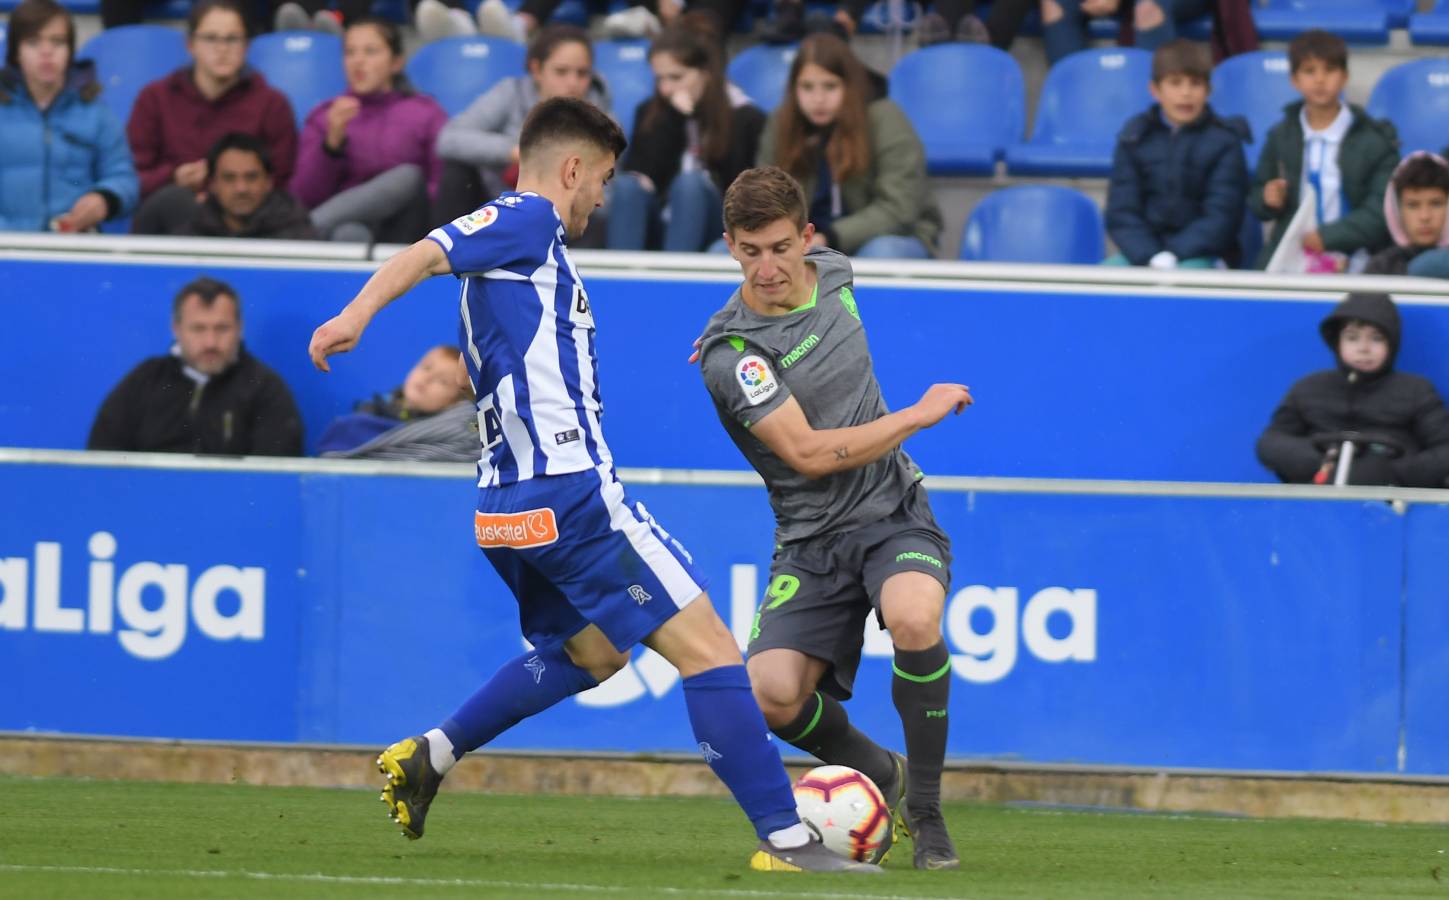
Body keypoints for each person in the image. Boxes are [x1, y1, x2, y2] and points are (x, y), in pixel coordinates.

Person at [305, 97, 879, 874]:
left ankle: (431, 755)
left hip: (505, 506)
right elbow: (427, 251)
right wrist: (354, 316)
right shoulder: (528, 219)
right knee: (710, 649)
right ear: (571, 168)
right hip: (568, 488)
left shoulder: (524, 252)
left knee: (597, 654)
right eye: (603, 178)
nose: (604, 196)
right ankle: (786, 837)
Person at [696, 166, 973, 869]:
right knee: (769, 696)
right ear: (729, 245)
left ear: (808, 239)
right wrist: (917, 413)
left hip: (891, 513)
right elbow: (810, 455)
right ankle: (877, 770)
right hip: (810, 539)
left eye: (781, 247)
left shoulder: (836, 272)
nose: (768, 267)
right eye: (750, 250)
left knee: (914, 618)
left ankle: (928, 812)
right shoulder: (735, 357)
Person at [757, 34, 941, 259]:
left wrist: (829, 237)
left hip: (889, 237)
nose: (818, 99)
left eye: (830, 86)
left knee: (882, 251)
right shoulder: (781, 124)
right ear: (793, 89)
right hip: (805, 241)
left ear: (851, 86)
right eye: (807, 87)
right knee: (723, 252)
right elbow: (764, 200)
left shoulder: (886, 118)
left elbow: (898, 210)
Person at [128, 0, 298, 237]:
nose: (222, 48)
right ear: (190, 44)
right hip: (174, 223)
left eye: (232, 39)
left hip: (250, 227)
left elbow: (281, 181)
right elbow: (132, 179)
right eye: (210, 38)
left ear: (246, 45)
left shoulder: (273, 104)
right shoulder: (154, 98)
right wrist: (173, 177)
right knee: (175, 201)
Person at [89, 277, 304, 456]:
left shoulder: (265, 388)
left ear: (240, 328)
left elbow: (275, 475)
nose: (210, 342)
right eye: (198, 329)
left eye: (222, 328)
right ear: (176, 329)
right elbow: (104, 458)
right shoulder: (145, 380)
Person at [1256, 291, 1449, 488]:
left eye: (1376, 338)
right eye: (1352, 338)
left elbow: (1445, 448)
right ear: (1337, 342)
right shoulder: (1308, 387)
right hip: (1317, 498)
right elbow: (1270, 442)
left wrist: (1395, 473)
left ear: (1392, 343)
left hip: (1394, 502)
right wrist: (1321, 461)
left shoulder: (1416, 390)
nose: (1363, 348)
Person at [1249, 30, 1399, 272]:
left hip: (1357, 255)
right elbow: (1257, 196)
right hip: (1292, 255)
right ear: (1294, 80)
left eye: (1329, 70)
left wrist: (1329, 237)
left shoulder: (1374, 140)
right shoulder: (1281, 135)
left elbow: (1382, 208)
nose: (1320, 80)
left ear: (1344, 77)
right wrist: (1268, 200)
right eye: (1309, 71)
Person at [607, 23, 765, 252]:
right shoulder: (651, 112)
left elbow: (738, 188)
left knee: (689, 184)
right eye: (660, 79)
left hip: (715, 223)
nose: (666, 89)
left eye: (676, 77)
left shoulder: (744, 116)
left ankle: (675, 278)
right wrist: (673, 119)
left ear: (706, 73)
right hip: (661, 219)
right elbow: (643, 176)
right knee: (626, 187)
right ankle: (618, 277)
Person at [434, 25, 611, 224]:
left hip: (564, 220)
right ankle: (443, 251)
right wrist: (518, 152)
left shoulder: (601, 116)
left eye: (582, 73)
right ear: (536, 69)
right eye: (561, 72)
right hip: (494, 206)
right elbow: (449, 139)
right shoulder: (510, 92)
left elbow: (607, 196)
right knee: (457, 172)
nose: (573, 82)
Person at [292, 18, 447, 244]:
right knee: (349, 233)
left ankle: (301, 231)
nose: (358, 61)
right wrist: (330, 147)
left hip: (409, 230)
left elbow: (442, 187)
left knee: (409, 176)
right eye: (350, 52)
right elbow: (304, 197)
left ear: (396, 62)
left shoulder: (426, 113)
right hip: (346, 229)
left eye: (370, 51)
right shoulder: (326, 115)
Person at [1105, 39, 1247, 268]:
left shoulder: (1225, 141)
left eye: (1195, 84)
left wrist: (1175, 254)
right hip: (1143, 255)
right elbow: (1121, 211)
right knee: (1105, 279)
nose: (1186, 93)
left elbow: (1222, 217)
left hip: (1204, 254)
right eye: (1175, 83)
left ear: (1208, 90)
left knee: (1187, 281)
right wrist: (1149, 255)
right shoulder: (1134, 138)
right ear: (1155, 90)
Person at [0, 0, 138, 233]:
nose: (47, 52)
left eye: (57, 41)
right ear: (16, 53)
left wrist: (104, 198)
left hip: (76, 246)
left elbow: (124, 177)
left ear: (71, 51)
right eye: (33, 42)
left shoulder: (96, 113)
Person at [316, 345, 477, 461]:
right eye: (426, 368)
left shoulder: (448, 429)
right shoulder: (372, 410)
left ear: (455, 402)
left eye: (442, 381)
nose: (427, 379)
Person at [166, 132, 316, 239]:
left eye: (251, 177)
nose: (241, 188)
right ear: (212, 184)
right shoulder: (189, 237)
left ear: (269, 182)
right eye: (229, 178)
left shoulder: (299, 237)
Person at [1364, 153, 1449, 278]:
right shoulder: (1381, 267)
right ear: (1396, 210)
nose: (1425, 217)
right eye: (1413, 205)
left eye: (1436, 204)